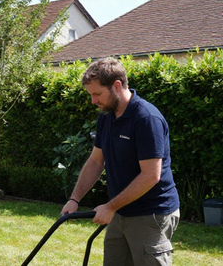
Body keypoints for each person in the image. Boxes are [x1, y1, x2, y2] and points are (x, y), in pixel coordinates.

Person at [61, 58, 180, 266]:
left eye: (97, 94)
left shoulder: (146, 119)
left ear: (116, 86)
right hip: (120, 210)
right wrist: (75, 199)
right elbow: (96, 161)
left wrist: (110, 206)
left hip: (150, 213)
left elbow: (151, 175)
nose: (93, 101)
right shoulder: (107, 116)